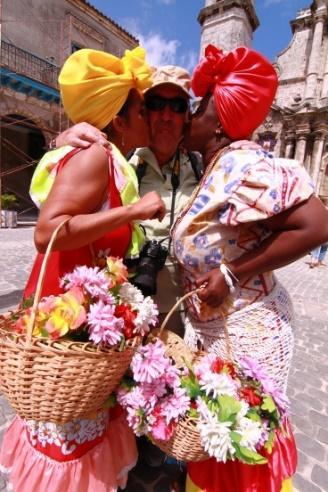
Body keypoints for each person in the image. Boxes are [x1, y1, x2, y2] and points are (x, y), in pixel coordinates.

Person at [0, 46, 165, 492]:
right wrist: (132, 214)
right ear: (119, 119)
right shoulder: (95, 157)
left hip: (86, 328)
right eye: (142, 108)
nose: (150, 117)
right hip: (65, 327)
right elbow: (47, 231)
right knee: (68, 456)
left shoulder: (112, 160)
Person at [171, 44, 328, 492]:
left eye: (197, 109)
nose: (188, 117)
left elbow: (316, 224)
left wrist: (235, 273)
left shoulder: (242, 164)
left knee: (240, 452)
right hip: (219, 334)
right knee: (222, 447)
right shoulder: (215, 167)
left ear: (218, 122)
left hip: (249, 334)